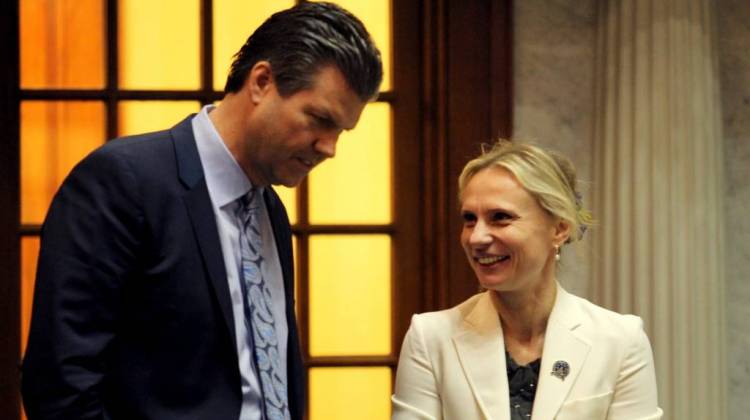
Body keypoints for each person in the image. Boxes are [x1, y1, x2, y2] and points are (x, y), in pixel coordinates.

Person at [21, 2, 382, 420]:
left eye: (341, 131)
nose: (330, 147)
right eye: (319, 119)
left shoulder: (271, 212)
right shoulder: (124, 182)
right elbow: (60, 385)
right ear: (261, 82)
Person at [391, 141, 663, 420]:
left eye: (500, 218)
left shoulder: (620, 341)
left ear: (558, 229)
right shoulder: (430, 337)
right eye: (469, 219)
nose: (476, 238)